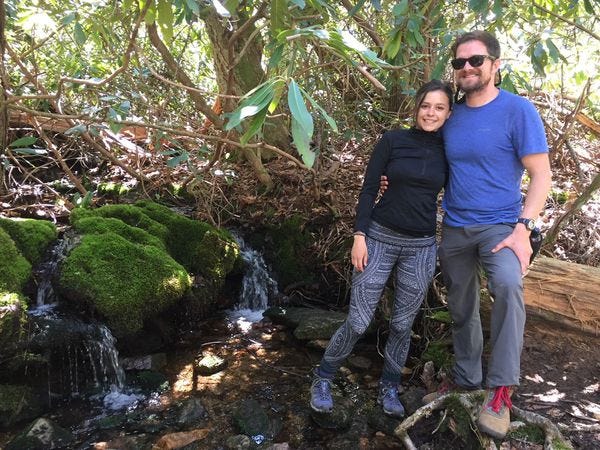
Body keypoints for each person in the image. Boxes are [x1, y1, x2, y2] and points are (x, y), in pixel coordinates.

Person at [382, 30, 552, 438]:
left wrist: (524, 228)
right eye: (460, 62)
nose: (467, 68)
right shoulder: (451, 115)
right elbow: (425, 155)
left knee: (507, 287)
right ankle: (466, 379)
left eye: (476, 60)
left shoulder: (517, 111)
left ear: (495, 64)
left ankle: (501, 391)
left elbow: (542, 175)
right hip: (455, 226)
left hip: (502, 227)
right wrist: (393, 180)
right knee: (461, 304)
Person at [309, 80, 453, 419]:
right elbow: (369, 188)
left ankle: (389, 385)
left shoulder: (452, 150)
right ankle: (323, 377)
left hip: (421, 247)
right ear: (416, 108)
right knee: (358, 322)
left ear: (449, 114)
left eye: (439, 107)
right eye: (425, 106)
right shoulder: (392, 140)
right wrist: (359, 235)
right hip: (378, 239)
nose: (430, 113)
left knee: (402, 325)